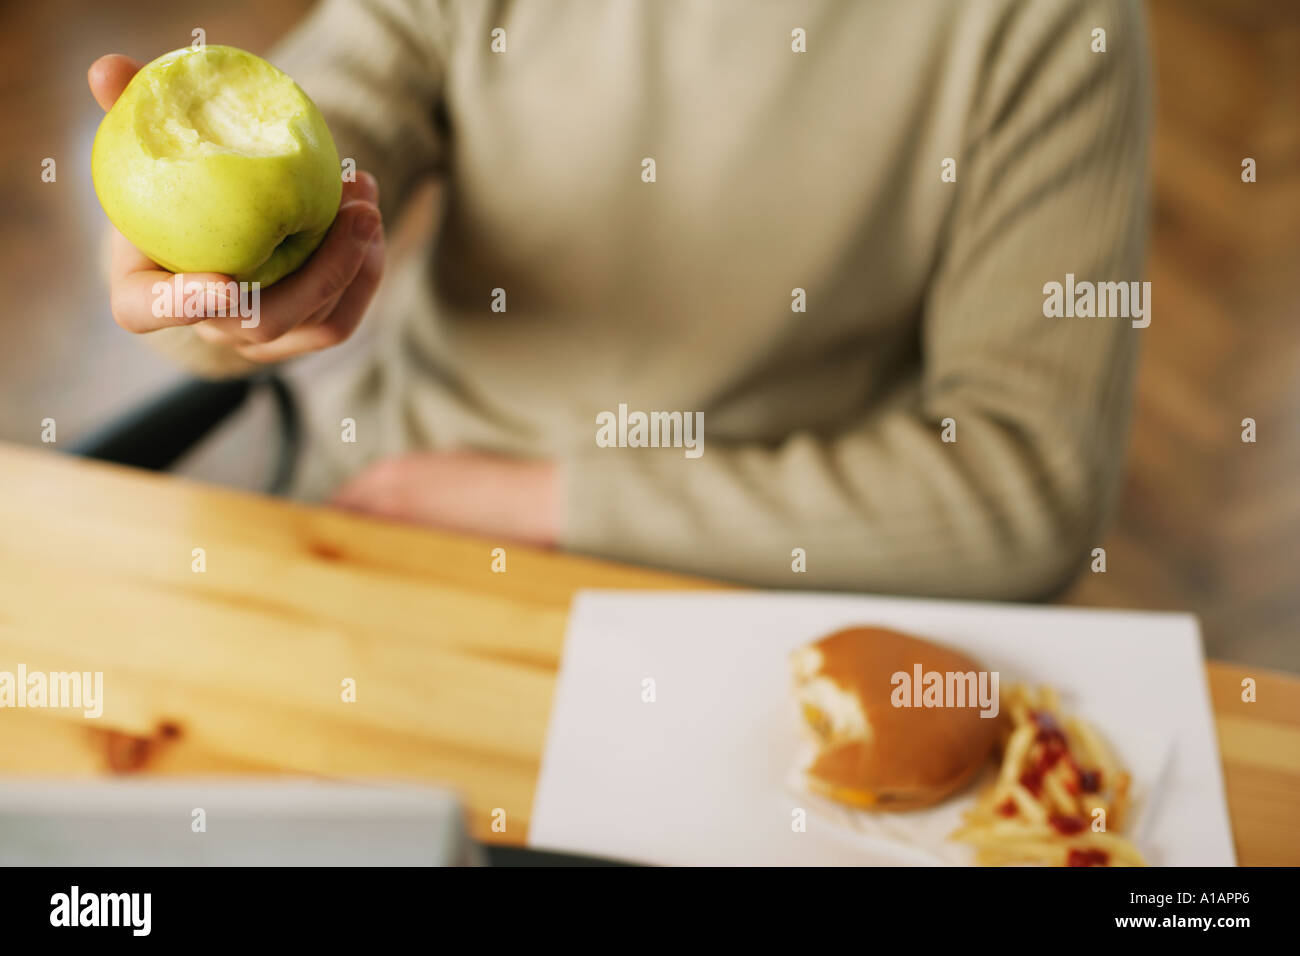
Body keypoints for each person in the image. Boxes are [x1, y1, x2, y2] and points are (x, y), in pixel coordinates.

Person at [87, 0, 1150, 599]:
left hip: (751, 590)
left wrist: (545, 502)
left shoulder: (1053, 26)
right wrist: (222, 287)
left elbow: (1030, 487)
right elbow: (352, 100)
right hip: (391, 531)